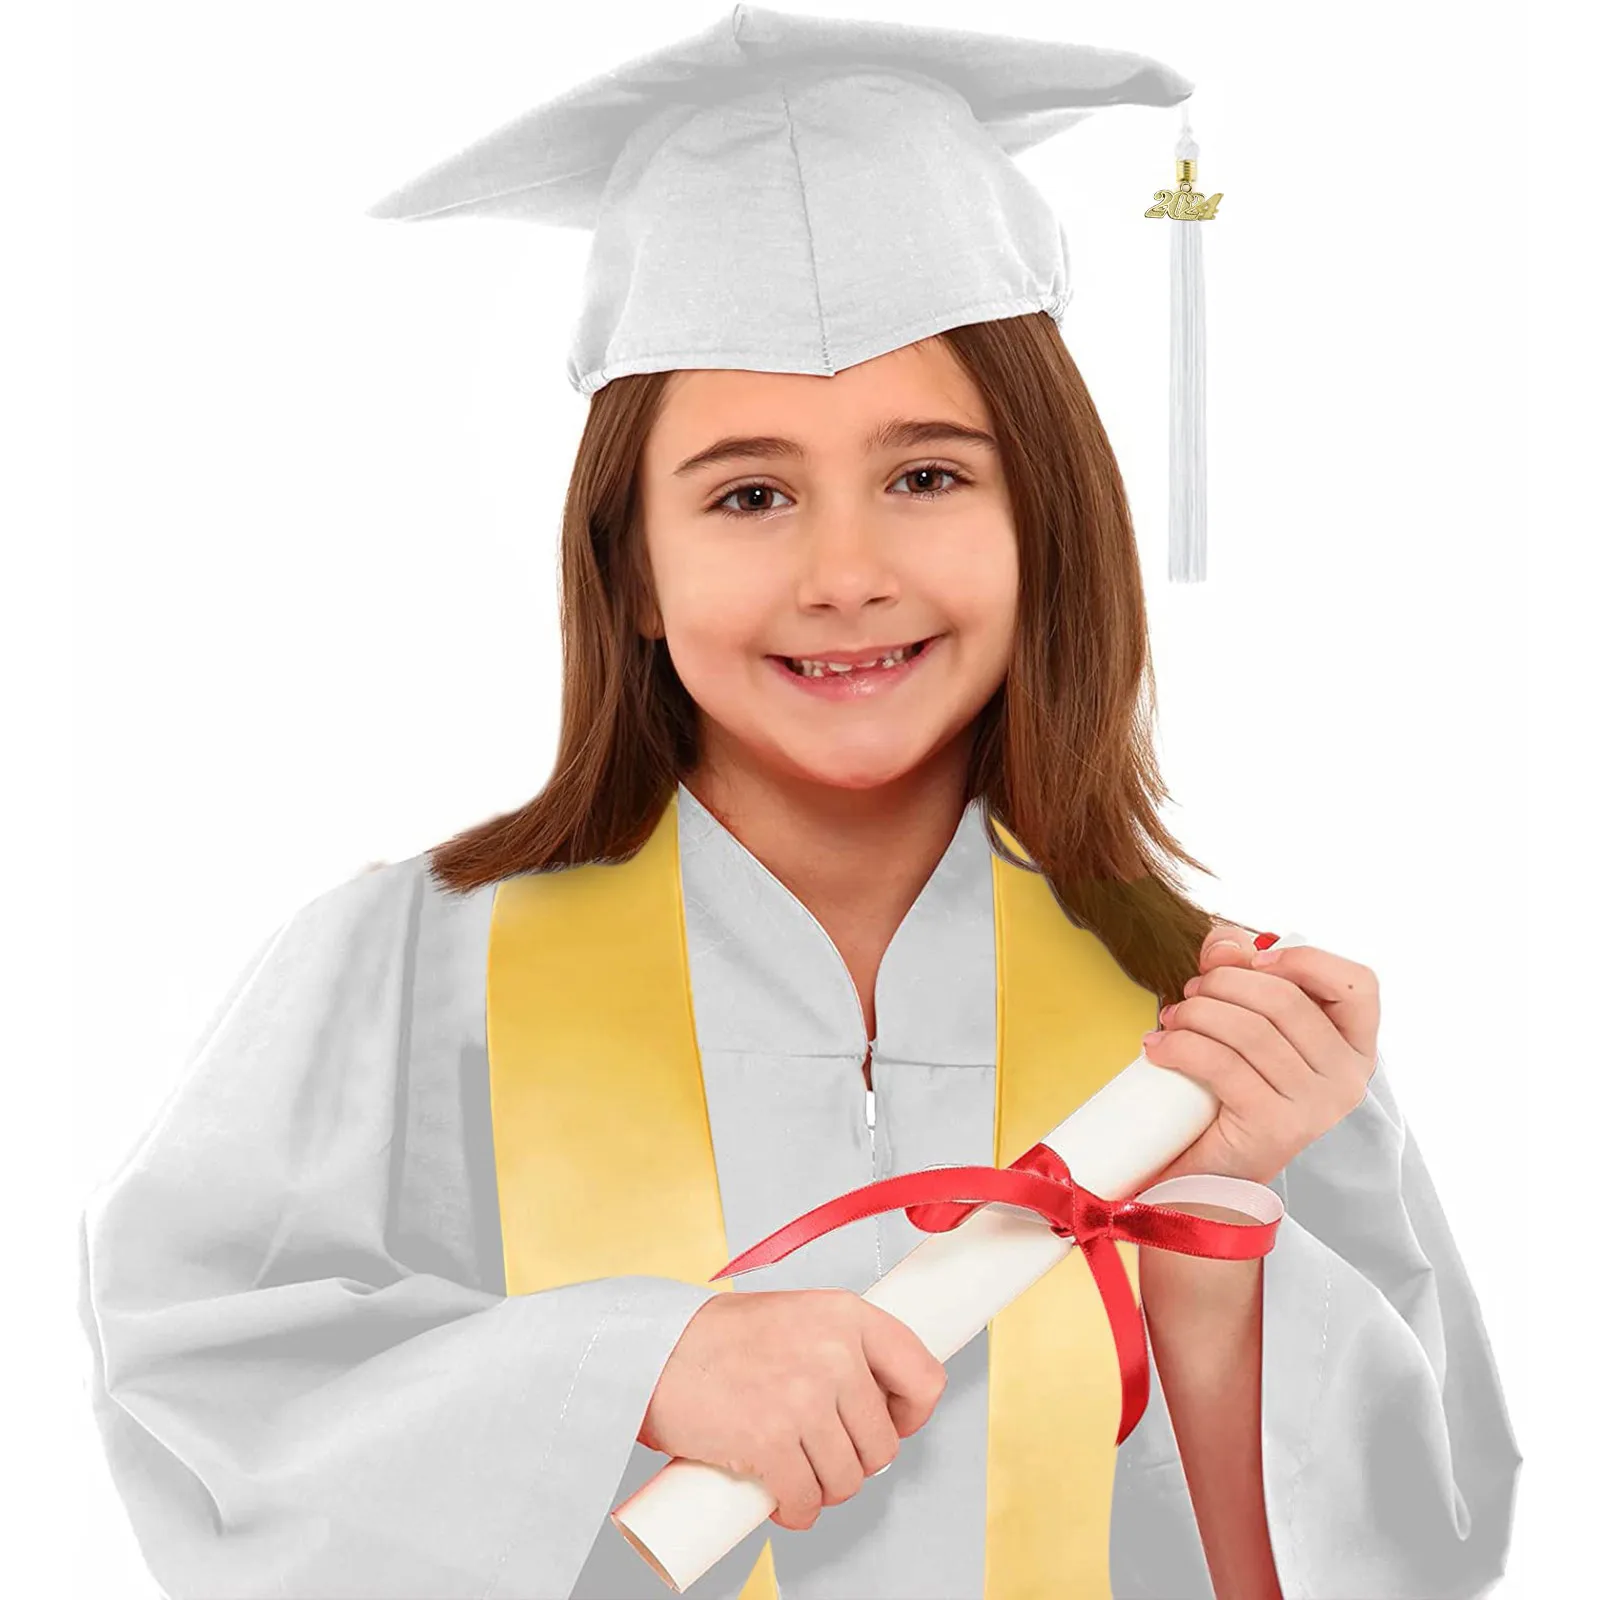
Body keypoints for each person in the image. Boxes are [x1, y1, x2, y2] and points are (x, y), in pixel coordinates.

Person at [77, 8, 1522, 1599]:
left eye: (928, 475)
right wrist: (634, 1364)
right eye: (750, 495)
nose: (847, 576)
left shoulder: (1212, 1030)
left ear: (1045, 518)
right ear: (630, 564)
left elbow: (1404, 1560)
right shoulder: (419, 979)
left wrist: (1218, 1229)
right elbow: (214, 1412)